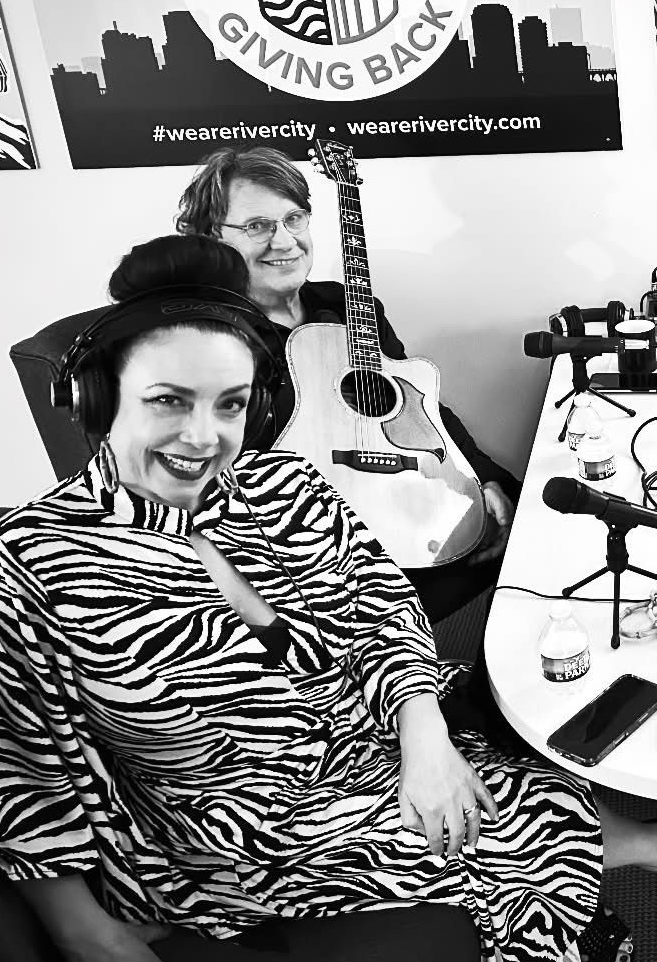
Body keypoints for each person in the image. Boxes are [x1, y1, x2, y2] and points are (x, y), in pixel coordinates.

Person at [0, 238, 657, 962]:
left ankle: (614, 878)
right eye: (166, 400)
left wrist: (423, 738)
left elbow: (384, 605)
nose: (203, 436)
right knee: (520, 816)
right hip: (234, 830)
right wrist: (81, 927)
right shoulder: (29, 560)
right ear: (94, 396)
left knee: (522, 768)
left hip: (363, 743)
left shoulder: (281, 484)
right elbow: (23, 772)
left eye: (232, 403)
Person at [174, 145, 513, 626]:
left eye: (294, 219)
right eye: (256, 226)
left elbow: (417, 406)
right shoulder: (202, 339)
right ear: (212, 237)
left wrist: (482, 479)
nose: (284, 241)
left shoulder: (349, 305)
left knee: (530, 547)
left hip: (414, 516)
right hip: (310, 563)